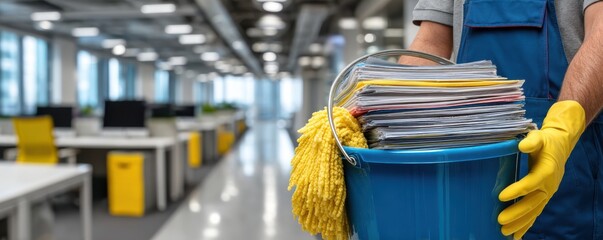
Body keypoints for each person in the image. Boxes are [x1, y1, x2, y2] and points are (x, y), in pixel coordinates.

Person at [399, 0, 603, 239]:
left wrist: (563, 127)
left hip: (571, 164)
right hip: (469, 172)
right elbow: (430, 44)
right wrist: (385, 114)